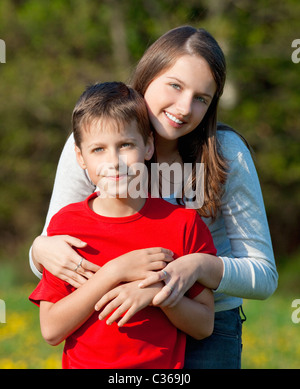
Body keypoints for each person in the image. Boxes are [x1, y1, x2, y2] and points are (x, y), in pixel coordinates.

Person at [29, 26, 278, 369]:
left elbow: (263, 274)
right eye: (175, 86)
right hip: (114, 323)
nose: (184, 107)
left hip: (207, 324)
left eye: (201, 98)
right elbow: (57, 250)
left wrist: (194, 267)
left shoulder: (224, 153)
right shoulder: (93, 147)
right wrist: (38, 248)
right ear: (147, 76)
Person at [29, 81, 216, 369]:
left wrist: (159, 295)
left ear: (149, 146)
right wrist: (114, 272)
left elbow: (203, 325)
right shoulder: (66, 225)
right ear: (80, 157)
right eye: (98, 149)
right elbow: (51, 330)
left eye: (125, 145)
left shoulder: (184, 223)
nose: (114, 162)